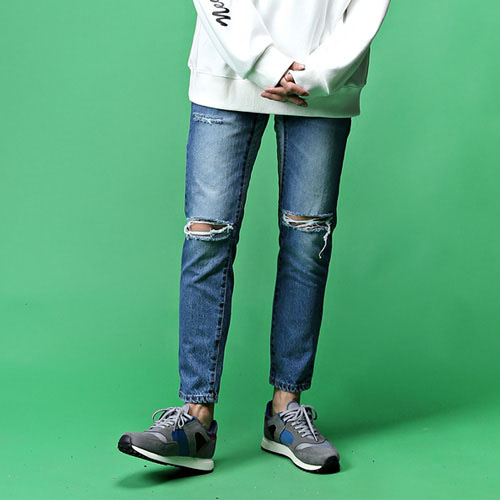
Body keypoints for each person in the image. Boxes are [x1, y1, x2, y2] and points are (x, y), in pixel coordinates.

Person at [118, 0, 391, 474]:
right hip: (226, 69)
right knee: (206, 236)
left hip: (321, 82)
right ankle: (195, 419)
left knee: (308, 240)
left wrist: (319, 73)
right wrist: (267, 63)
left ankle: (286, 411)